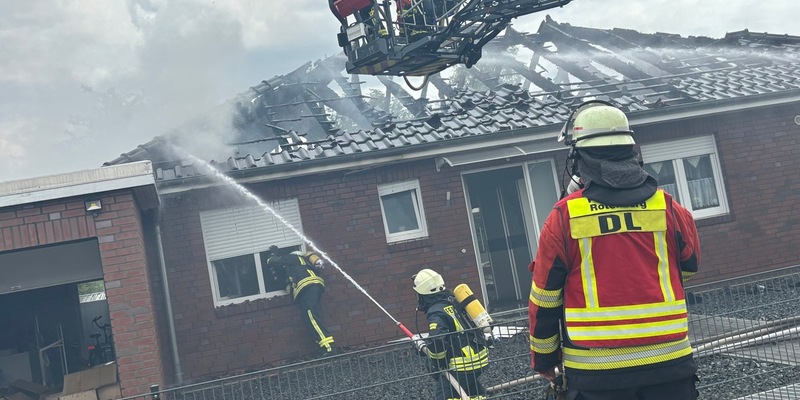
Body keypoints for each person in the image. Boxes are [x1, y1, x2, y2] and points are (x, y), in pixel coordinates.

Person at [528, 100, 701, 399]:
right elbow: (688, 267)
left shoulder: (564, 217)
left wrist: (545, 359)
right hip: (671, 368)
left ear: (577, 158)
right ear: (631, 152)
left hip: (598, 376)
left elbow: (545, 297)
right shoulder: (670, 208)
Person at [412, 268, 489, 400]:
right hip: (480, 359)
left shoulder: (436, 311)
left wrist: (436, 361)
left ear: (423, 294)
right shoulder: (452, 301)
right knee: (471, 390)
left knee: (444, 396)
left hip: (462, 365)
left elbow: (438, 341)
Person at [266, 245, 337, 357]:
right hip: (312, 288)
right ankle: (321, 346)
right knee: (307, 318)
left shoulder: (293, 257)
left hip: (307, 287)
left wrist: (273, 253)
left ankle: (329, 347)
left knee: (311, 316)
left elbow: (271, 262)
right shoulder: (303, 263)